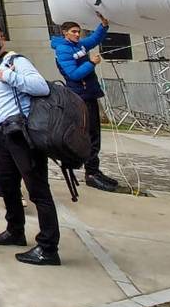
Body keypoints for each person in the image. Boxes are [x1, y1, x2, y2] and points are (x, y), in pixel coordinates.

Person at [0, 22, 59, 266]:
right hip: (1, 135)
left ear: (3, 37)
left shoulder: (16, 62)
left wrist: (10, 76)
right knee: (6, 185)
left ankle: (48, 247)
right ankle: (15, 230)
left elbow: (41, 87)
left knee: (38, 190)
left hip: (21, 135)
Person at [50, 12, 119, 192]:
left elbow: (93, 40)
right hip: (80, 96)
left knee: (93, 133)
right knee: (89, 134)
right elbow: (73, 74)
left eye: (78, 31)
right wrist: (92, 63)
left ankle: (93, 169)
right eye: (73, 31)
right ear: (64, 32)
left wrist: (103, 26)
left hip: (88, 93)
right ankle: (91, 172)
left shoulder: (78, 45)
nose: (77, 34)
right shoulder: (64, 50)